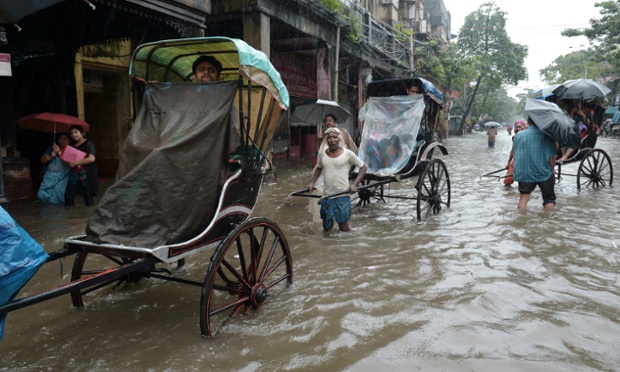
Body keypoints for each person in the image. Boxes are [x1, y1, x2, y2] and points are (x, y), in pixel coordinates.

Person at [308, 128, 367, 232]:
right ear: (326, 140)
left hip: (342, 196)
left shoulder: (348, 154)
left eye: (334, 137)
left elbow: (363, 167)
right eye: (329, 137)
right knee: (326, 228)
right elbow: (319, 168)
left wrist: (355, 184)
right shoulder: (323, 154)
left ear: (339, 139)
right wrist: (312, 183)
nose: (332, 140)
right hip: (326, 196)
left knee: (343, 229)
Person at [512, 117, 557, 211]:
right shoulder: (548, 136)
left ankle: (522, 221)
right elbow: (552, 158)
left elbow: (515, 153)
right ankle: (550, 222)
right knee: (549, 199)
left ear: (528, 122)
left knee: (523, 198)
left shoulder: (518, 135)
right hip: (544, 172)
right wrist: (552, 170)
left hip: (524, 172)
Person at [59, 125, 97, 206]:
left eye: (76, 132)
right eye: (72, 133)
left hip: (86, 174)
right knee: (68, 196)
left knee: (87, 197)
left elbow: (91, 158)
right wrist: (59, 153)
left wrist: (76, 163)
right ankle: (70, 216)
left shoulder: (88, 143)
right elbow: (67, 160)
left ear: (82, 133)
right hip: (74, 174)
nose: (73, 134)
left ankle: (88, 215)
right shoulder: (71, 145)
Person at [37, 133, 71, 204]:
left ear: (69, 141)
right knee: (40, 194)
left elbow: (71, 163)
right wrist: (51, 155)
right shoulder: (52, 148)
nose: (63, 141)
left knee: (58, 195)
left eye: (65, 139)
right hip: (49, 176)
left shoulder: (70, 150)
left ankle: (57, 212)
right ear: (58, 140)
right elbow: (42, 160)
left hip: (62, 177)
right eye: (61, 139)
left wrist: (59, 153)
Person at [503, 120, 526, 186]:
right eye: (516, 127)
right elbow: (513, 150)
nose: (518, 129)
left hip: (526, 160)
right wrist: (508, 163)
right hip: (516, 159)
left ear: (524, 128)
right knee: (507, 180)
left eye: (520, 127)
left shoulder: (528, 136)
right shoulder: (514, 138)